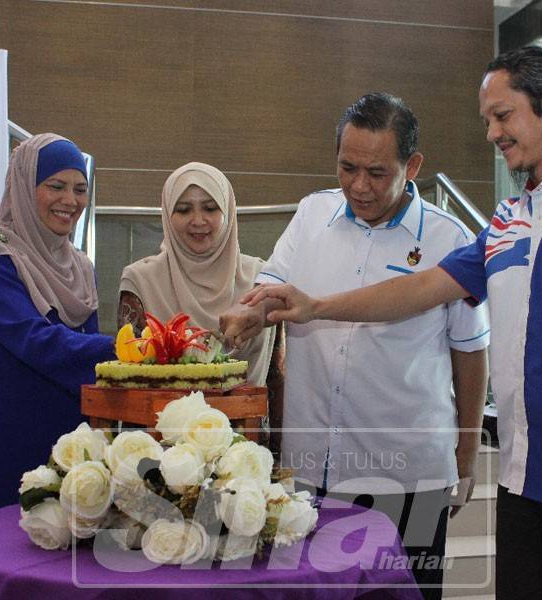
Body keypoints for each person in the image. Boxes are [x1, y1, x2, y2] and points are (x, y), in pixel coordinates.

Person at [235, 47, 542, 600]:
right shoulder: (511, 217)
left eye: (503, 115)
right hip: (525, 480)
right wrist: (314, 307)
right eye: (486, 120)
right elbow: (419, 289)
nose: (492, 133)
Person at [220, 93, 490, 598]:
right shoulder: (311, 214)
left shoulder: (449, 241)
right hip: (310, 471)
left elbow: (470, 353)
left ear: (412, 166)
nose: (359, 186)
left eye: (377, 173)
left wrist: (467, 459)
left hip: (406, 474)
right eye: (347, 167)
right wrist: (249, 313)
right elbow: (272, 288)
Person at [0, 134, 116, 598]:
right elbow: (35, 342)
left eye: (79, 188)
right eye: (55, 185)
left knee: (46, 578)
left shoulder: (79, 267)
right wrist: (129, 348)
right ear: (23, 185)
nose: (70, 201)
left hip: (57, 447)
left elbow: (84, 355)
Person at [118, 162, 279, 390]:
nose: (198, 220)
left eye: (210, 208)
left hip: (245, 423)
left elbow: (277, 376)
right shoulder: (140, 281)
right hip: (160, 423)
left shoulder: (261, 278)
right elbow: (127, 378)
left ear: (227, 210)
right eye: (184, 209)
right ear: (167, 214)